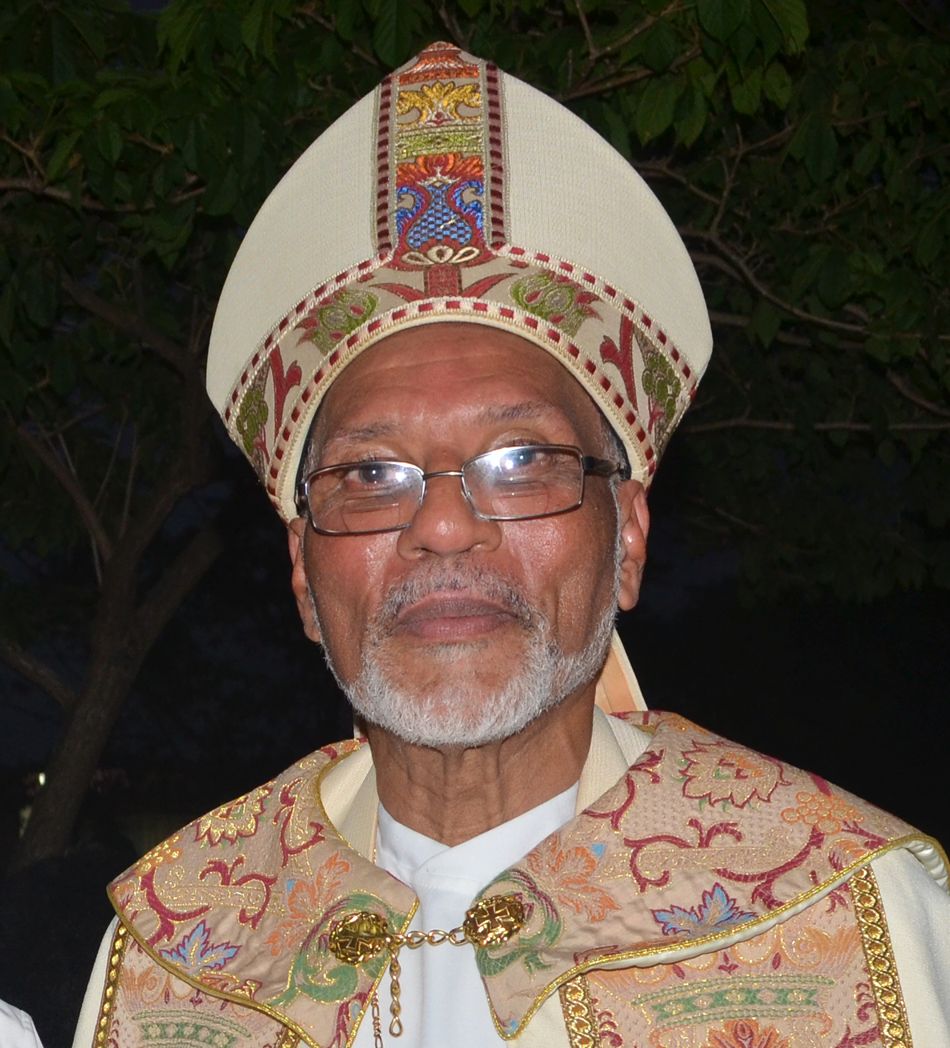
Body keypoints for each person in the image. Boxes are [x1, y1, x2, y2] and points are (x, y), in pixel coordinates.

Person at [74, 42, 949, 1048]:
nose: (442, 526)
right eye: (370, 476)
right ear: (303, 579)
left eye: (520, 459)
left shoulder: (834, 913)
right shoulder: (179, 952)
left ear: (625, 537)